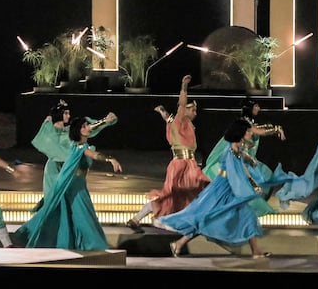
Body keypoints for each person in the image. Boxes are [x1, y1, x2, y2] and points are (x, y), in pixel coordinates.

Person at [155, 117, 294, 258]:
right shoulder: (231, 150)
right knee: (209, 217)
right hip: (222, 190)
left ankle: (255, 251)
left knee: (246, 216)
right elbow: (236, 171)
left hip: (229, 188)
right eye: (248, 131)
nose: (251, 134)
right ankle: (179, 243)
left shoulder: (236, 147)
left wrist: (249, 160)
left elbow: (241, 160)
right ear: (241, 132)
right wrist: (251, 185)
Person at [13, 115, 123, 250]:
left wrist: (104, 121)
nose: (88, 127)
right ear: (78, 131)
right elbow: (94, 155)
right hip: (74, 187)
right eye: (84, 126)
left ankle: (78, 244)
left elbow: (92, 131)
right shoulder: (79, 146)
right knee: (84, 216)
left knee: (74, 216)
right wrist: (110, 159)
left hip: (78, 185)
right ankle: (94, 245)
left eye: (87, 125)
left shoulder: (78, 144)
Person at [126, 75, 211, 233]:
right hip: (181, 165)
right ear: (185, 110)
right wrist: (184, 87)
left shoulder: (181, 123)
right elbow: (181, 105)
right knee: (177, 194)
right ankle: (159, 220)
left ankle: (138, 218)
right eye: (192, 109)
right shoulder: (181, 119)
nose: (195, 113)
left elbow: (168, 119)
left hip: (188, 165)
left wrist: (163, 113)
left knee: (181, 195)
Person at [201, 99, 286, 216]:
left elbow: (256, 129)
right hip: (238, 166)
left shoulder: (245, 128)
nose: (259, 109)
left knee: (264, 180)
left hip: (244, 162)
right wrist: (276, 129)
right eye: (256, 106)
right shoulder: (238, 137)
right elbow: (257, 131)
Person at [30, 99, 118, 210]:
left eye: (68, 113)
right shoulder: (51, 134)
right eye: (66, 113)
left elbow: (88, 128)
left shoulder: (69, 131)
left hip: (69, 168)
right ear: (59, 114)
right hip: (55, 169)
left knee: (69, 202)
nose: (69, 115)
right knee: (53, 202)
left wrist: (105, 120)